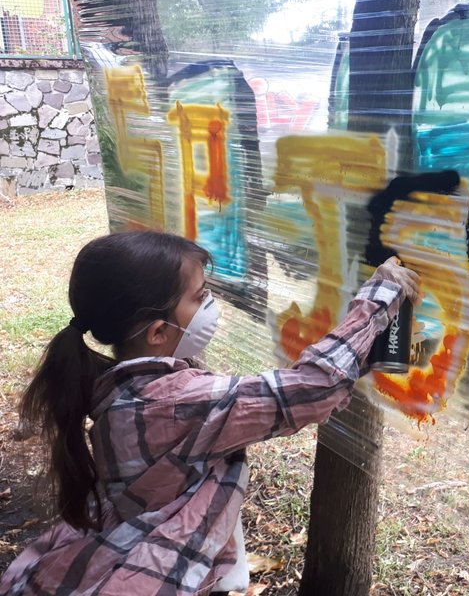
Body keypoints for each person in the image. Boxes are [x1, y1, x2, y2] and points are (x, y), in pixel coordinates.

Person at [0, 230, 420, 596]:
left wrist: (360, 356)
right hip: (159, 575)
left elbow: (288, 394)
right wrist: (379, 296)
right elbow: (312, 388)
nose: (211, 305)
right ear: (158, 332)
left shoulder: (126, 387)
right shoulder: (175, 402)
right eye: (200, 297)